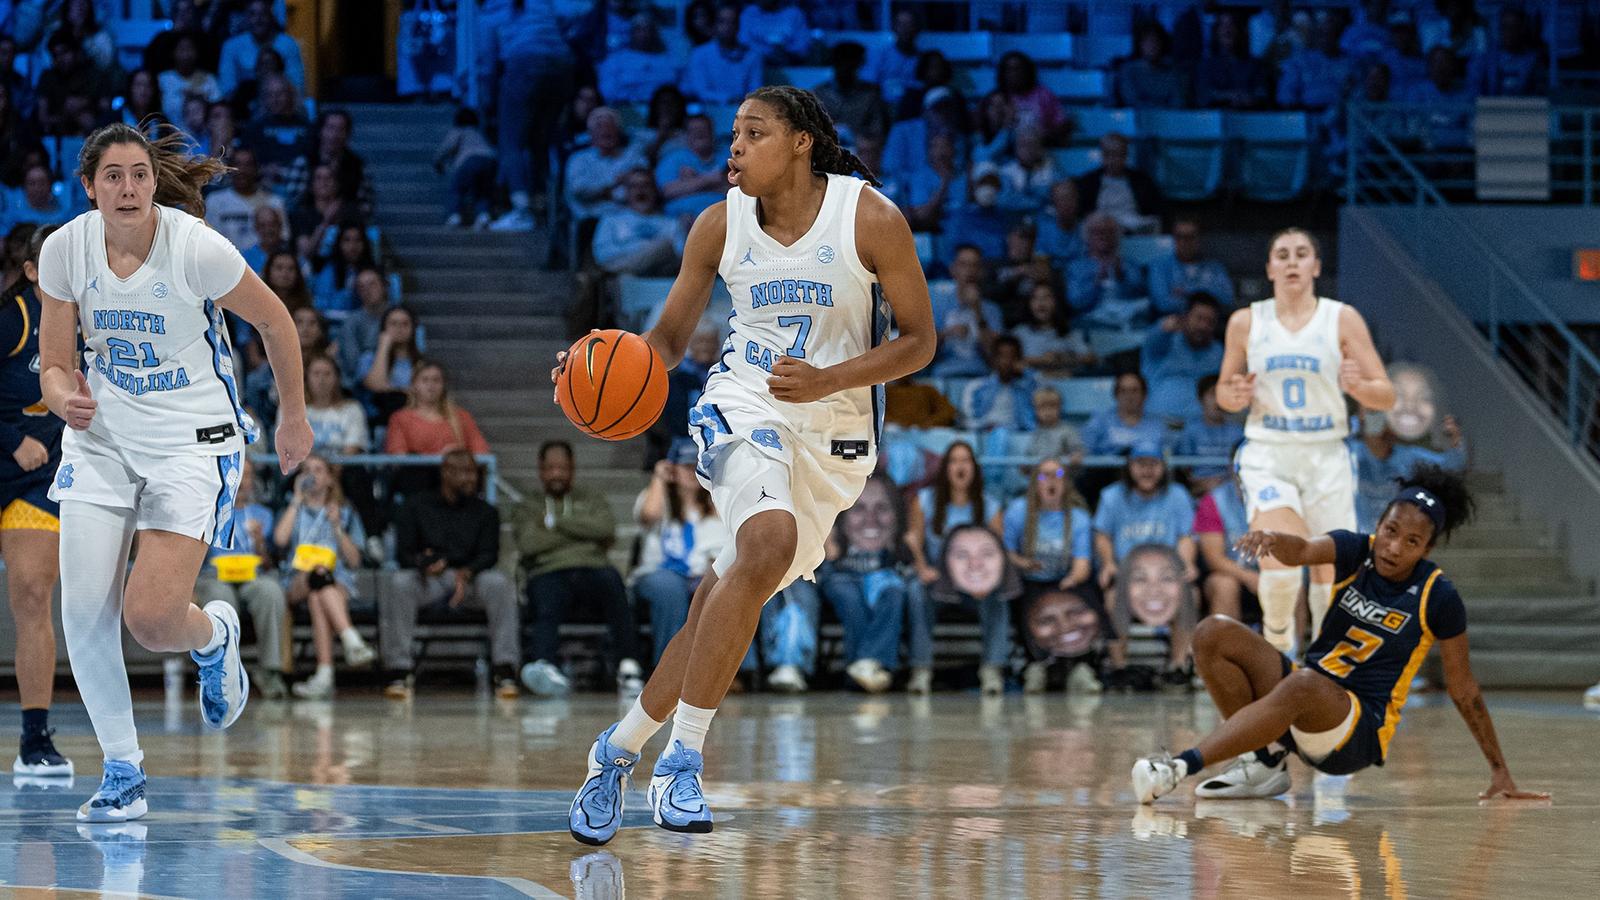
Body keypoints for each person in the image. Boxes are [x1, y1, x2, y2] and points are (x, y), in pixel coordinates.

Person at [561, 85, 934, 844]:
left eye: (753, 133)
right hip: (744, 402)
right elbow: (664, 344)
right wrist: (594, 363)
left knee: (713, 609)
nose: (733, 147)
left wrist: (831, 379)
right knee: (763, 546)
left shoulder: (869, 218)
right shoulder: (716, 225)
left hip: (835, 431)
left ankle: (617, 751)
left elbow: (921, 341)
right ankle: (682, 766)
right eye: (733, 133)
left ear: (801, 142)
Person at [36, 123, 313, 821]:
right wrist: (64, 396)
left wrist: (292, 417)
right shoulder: (65, 248)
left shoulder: (194, 247)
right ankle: (123, 772)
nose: (127, 188)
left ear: (155, 183)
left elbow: (277, 323)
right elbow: (53, 362)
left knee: (152, 621)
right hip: (101, 439)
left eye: (138, 175)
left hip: (192, 439)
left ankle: (215, 635)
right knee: (82, 610)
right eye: (113, 176)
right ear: (89, 186)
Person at [1133, 465, 1550, 806]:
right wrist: (1276, 540)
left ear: (1427, 549)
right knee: (1212, 633)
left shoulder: (1437, 595)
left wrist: (1499, 769)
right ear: (1380, 524)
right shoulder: (1357, 549)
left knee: (1304, 682)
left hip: (1355, 733)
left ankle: (1177, 768)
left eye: (1412, 542)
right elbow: (1305, 551)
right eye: (1390, 531)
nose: (1393, 548)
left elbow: (1464, 689)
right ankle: (1264, 765)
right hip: (1304, 695)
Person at [1217, 227, 1393, 655]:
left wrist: (1358, 389)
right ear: (1270, 268)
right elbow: (1224, 391)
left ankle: (1323, 663)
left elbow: (1385, 395)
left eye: (1301, 253)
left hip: (1327, 453)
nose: (1292, 261)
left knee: (1327, 571)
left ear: (1316, 266)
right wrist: (1234, 395)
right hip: (1268, 452)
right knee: (1278, 551)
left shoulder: (1342, 318)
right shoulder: (1246, 321)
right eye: (1282, 254)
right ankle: (1278, 644)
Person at [1, 225, 71, 776]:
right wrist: (9, 436)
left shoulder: (86, 324)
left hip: (34, 483)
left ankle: (34, 739)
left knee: (31, 594)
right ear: (30, 272)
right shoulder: (14, 319)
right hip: (8, 455)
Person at [383, 449, 520, 700]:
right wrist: (425, 564)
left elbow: (489, 554)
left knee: (500, 583)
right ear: (446, 473)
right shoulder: (416, 505)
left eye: (473, 473)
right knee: (400, 582)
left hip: (471, 579)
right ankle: (399, 670)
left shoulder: (486, 511)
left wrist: (466, 573)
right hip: (431, 579)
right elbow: (404, 553)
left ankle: (505, 669)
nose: (471, 479)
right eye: (464, 473)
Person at [513, 441, 642, 698]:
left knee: (613, 583)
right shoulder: (528, 504)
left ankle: (628, 665)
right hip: (549, 570)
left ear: (572, 469)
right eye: (550, 468)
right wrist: (583, 533)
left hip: (593, 568)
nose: (556, 474)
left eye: (562, 468)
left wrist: (554, 523)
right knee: (546, 595)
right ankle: (545, 666)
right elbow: (528, 543)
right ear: (540, 470)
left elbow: (605, 529)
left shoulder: (591, 498)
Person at [1092, 441, 1198, 682]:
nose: (1147, 470)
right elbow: (1103, 535)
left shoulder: (1178, 495)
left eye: (1153, 464)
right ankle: (1119, 668)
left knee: (1190, 594)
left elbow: (1186, 536)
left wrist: (1187, 563)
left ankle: (1178, 666)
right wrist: (1108, 562)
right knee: (1111, 599)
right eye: (1140, 464)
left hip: (1166, 576)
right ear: (1129, 467)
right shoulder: (1111, 496)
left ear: (1163, 468)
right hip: (1128, 577)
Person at [273, 453, 374, 699]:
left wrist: (338, 527)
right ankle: (351, 639)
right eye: (306, 470)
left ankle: (324, 676)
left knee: (320, 594)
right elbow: (280, 540)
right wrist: (297, 500)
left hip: (336, 579)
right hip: (297, 578)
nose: (312, 475)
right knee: (317, 578)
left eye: (318, 470)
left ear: (330, 479)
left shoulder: (345, 511)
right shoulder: (294, 507)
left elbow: (354, 560)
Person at [193, 467, 290, 700]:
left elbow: (268, 564)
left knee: (271, 591)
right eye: (238, 473)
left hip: (251, 574)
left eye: (247, 475)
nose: (242, 480)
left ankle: (270, 671)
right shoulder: (209, 511)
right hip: (215, 575)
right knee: (221, 598)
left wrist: (259, 542)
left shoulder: (262, 515)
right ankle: (220, 672)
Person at [632, 439, 729, 669]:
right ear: (672, 469)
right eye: (686, 467)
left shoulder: (717, 502)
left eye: (697, 466)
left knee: (723, 588)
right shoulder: (658, 499)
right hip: (659, 572)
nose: (692, 473)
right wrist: (659, 478)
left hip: (700, 574)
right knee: (670, 589)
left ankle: (723, 669)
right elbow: (648, 515)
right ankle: (670, 669)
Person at [999, 457, 1093, 693]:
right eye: (1044, 476)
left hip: (1065, 579)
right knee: (1023, 599)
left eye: (1057, 476)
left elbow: (1082, 564)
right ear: (1034, 483)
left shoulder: (1079, 517)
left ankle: (1081, 665)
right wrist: (1023, 563)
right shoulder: (1018, 511)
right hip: (1030, 579)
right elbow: (1005, 552)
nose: (1051, 481)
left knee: (1087, 599)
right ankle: (1035, 664)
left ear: (1066, 484)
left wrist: (1070, 581)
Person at [820, 475, 911, 694]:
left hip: (884, 573)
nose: (871, 518)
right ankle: (869, 665)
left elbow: (907, 562)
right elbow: (826, 558)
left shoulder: (900, 539)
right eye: (859, 509)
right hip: (842, 574)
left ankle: (862, 665)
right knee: (849, 597)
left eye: (882, 508)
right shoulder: (831, 511)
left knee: (894, 593)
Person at [1351, 407, 1466, 531]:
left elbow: (1450, 465)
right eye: (1372, 420)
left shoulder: (1409, 457)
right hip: (1357, 534)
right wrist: (1357, 420)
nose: (1378, 431)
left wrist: (1455, 439)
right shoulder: (1353, 453)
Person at [1142, 293, 1224, 426]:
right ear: (1185, 317)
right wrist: (1165, 328)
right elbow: (1155, 336)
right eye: (1199, 318)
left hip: (1201, 430)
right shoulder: (1164, 342)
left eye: (1210, 321)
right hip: (1159, 424)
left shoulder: (1218, 351)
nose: (1203, 326)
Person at [383, 360, 489, 456]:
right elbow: (398, 457)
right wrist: (438, 457)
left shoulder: (461, 416)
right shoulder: (400, 418)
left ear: (443, 385)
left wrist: (457, 455)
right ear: (414, 385)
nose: (431, 385)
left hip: (455, 474)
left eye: (436, 380)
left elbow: (481, 451)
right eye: (425, 380)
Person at [592, 169, 685, 278]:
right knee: (624, 276)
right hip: (623, 275)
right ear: (626, 192)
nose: (640, 191)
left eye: (645, 185)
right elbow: (602, 255)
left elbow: (681, 259)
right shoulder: (611, 220)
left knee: (666, 247)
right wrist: (646, 250)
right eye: (634, 186)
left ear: (655, 190)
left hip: (659, 277)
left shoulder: (672, 223)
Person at [1194, 470, 1255, 621]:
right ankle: (1227, 645)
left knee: (1290, 584)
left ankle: (1291, 645)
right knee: (1224, 584)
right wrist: (1250, 578)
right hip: (1231, 573)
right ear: (1232, 470)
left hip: (1269, 573)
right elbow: (1214, 559)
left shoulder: (1282, 497)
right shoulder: (1214, 500)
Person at [1075, 135, 1163, 234]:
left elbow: (1155, 209)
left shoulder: (1142, 181)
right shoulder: (1088, 181)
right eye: (1108, 154)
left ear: (1125, 156)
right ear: (1102, 155)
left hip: (1133, 226)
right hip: (1101, 228)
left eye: (1118, 154)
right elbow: (1082, 212)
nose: (1113, 159)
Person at [204, 146, 285, 254]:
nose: (242, 170)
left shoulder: (274, 202)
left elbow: (284, 238)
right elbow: (208, 241)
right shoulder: (214, 201)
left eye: (248, 165)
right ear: (229, 169)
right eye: (237, 164)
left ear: (257, 168)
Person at [217, 0, 306, 97]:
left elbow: (297, 86)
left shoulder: (289, 44)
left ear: (272, 16)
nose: (258, 19)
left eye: (263, 14)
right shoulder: (231, 46)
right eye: (252, 14)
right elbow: (227, 89)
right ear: (246, 17)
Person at [1146, 219, 1235, 315]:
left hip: (1209, 324)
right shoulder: (1159, 266)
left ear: (1199, 238)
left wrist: (1188, 290)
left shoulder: (1215, 268)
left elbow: (1228, 299)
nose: (1185, 242)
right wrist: (1206, 296)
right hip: (1174, 324)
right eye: (1180, 237)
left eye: (1190, 237)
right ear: (1174, 238)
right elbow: (1162, 304)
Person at [1175, 374, 1244, 493]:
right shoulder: (1191, 431)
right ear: (1200, 398)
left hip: (1232, 489)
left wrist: (1224, 483)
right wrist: (1201, 484)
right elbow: (1183, 469)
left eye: (1221, 395)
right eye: (1212, 394)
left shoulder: (1237, 431)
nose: (1217, 400)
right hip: (1197, 489)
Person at [681, 6, 765, 104]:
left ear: (739, 25)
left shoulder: (753, 56)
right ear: (715, 24)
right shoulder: (699, 54)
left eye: (732, 22)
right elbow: (701, 92)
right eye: (722, 21)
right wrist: (729, 99)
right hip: (709, 110)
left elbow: (755, 92)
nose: (728, 27)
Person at [814, 41, 891, 144]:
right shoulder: (819, 94)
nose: (846, 68)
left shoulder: (871, 95)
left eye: (851, 65)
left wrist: (855, 135)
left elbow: (878, 131)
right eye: (841, 63)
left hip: (862, 151)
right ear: (834, 64)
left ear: (859, 65)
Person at [434, 106, 497, 230]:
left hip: (469, 160)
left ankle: (454, 216)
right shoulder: (479, 132)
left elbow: (447, 147)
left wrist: (437, 162)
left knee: (456, 189)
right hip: (490, 160)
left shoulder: (459, 131)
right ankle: (483, 216)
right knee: (482, 192)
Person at [597, 13, 680, 105]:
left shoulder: (667, 60)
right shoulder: (615, 60)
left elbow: (673, 87)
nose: (643, 34)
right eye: (638, 29)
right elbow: (607, 92)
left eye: (647, 29)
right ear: (631, 32)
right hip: (626, 109)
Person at [960, 335, 1039, 431]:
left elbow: (1035, 417)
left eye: (1012, 357)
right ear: (994, 359)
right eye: (1002, 356)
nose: (1007, 362)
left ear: (1019, 360)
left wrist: (1025, 374)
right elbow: (968, 417)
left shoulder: (1027, 386)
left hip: (1016, 433)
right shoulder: (976, 386)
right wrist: (985, 425)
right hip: (984, 431)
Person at [1080, 371, 1167, 458]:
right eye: (1123, 391)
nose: (1129, 396)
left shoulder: (1158, 425)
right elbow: (1084, 452)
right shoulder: (1100, 421)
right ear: (1115, 395)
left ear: (1144, 394)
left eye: (1134, 390)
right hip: (1107, 471)